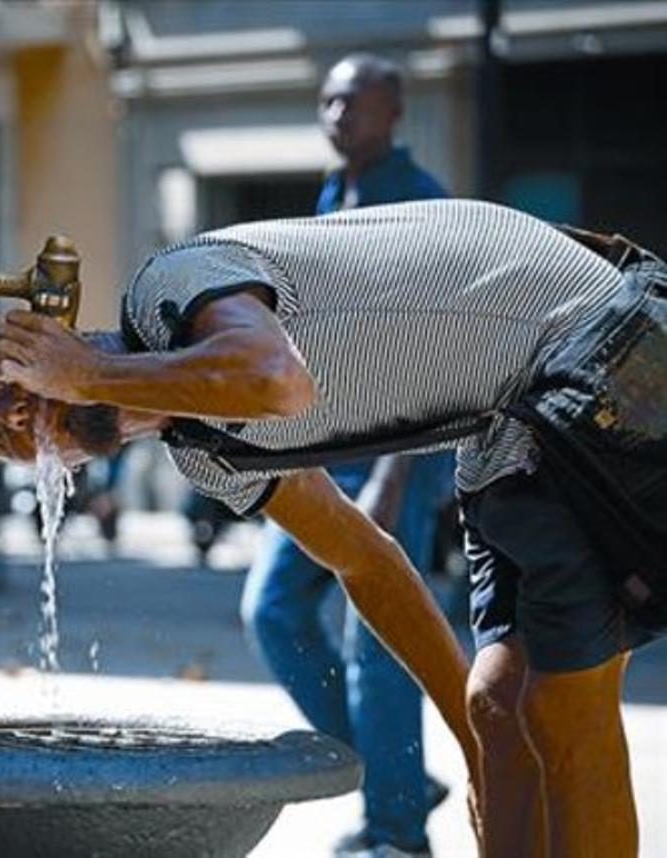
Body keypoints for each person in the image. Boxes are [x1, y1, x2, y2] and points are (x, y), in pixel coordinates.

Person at [0, 198, 666, 858]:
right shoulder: (210, 457)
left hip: (590, 341)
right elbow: (363, 563)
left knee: (563, 709)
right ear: (58, 465)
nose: (13, 416)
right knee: (492, 710)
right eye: (4, 439)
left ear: (53, 340)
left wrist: (90, 376)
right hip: (511, 418)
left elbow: (275, 380)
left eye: (8, 384)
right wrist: (474, 749)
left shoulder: (171, 286)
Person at [239, 52, 451, 857]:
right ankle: (389, 774)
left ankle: (397, 830)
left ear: (393, 112)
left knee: (378, 634)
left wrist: (396, 478)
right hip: (325, 442)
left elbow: (435, 353)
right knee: (271, 609)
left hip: (398, 447)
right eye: (326, 101)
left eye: (352, 103)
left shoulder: (420, 204)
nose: (335, 115)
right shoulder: (334, 194)